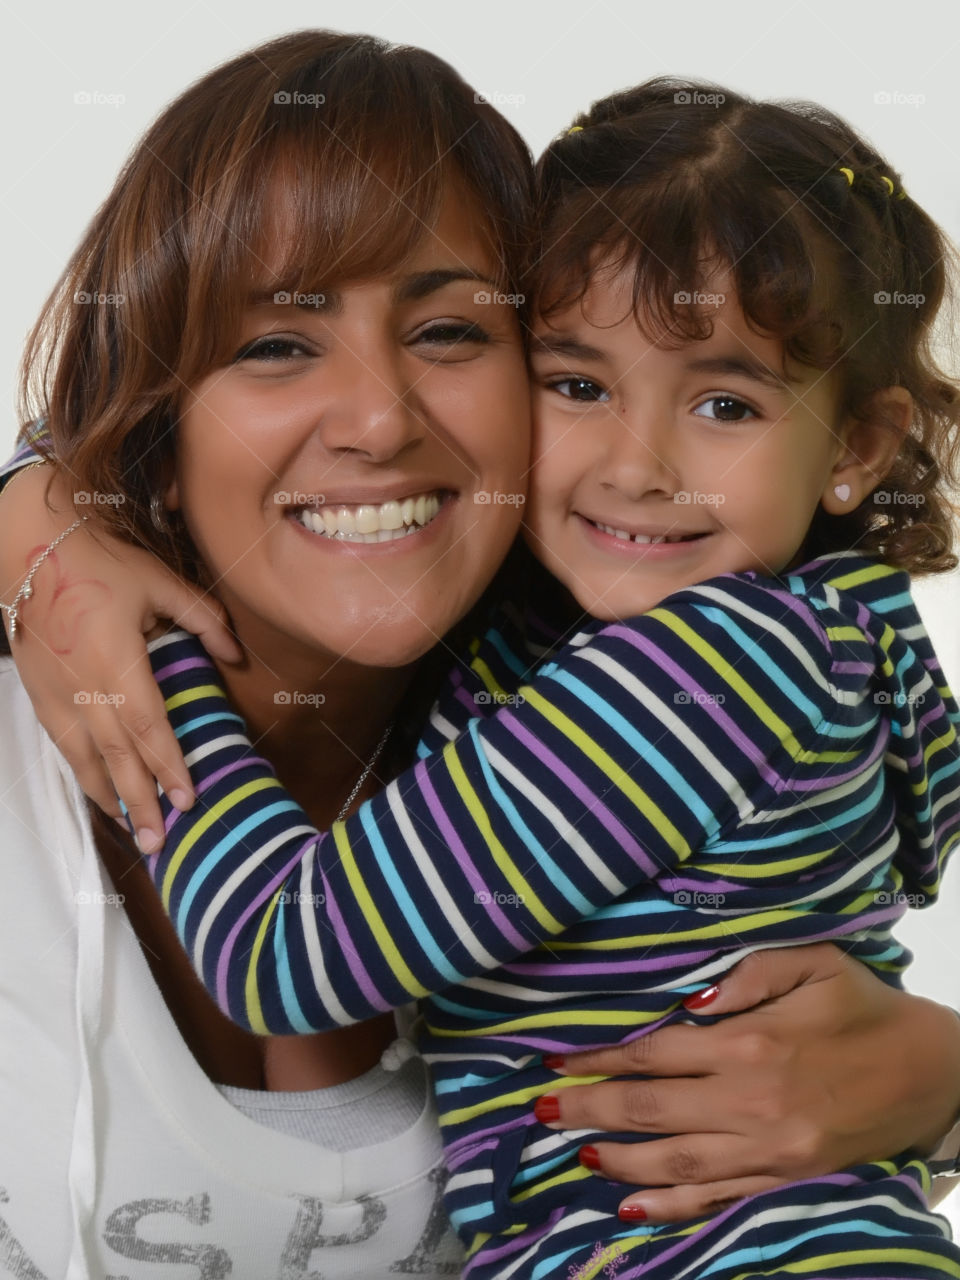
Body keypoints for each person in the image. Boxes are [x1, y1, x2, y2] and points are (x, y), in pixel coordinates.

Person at [13, 78, 960, 1277]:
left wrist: (159, 655)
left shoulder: (708, 666)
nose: (636, 463)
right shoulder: (538, 650)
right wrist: (46, 522)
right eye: (579, 383)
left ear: (860, 449)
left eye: (725, 401)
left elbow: (277, 951)